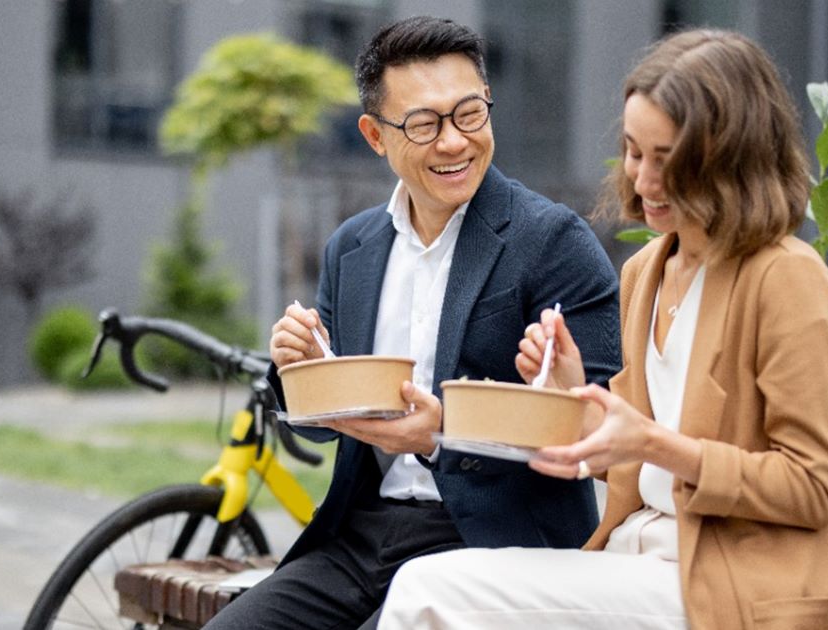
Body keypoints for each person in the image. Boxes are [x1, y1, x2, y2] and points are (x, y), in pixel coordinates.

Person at [377, 29, 828, 630]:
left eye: (670, 159)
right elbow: (628, 456)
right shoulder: (647, 271)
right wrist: (570, 398)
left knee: (427, 591)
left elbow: (815, 488)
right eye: (636, 152)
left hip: (735, 580)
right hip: (638, 555)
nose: (643, 180)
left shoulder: (787, 279)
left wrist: (651, 442)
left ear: (732, 158)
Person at [203, 16, 621, 630]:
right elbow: (326, 431)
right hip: (358, 537)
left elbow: (602, 426)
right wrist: (302, 370)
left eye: (470, 114)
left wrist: (438, 434)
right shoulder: (352, 248)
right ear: (375, 135)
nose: (454, 142)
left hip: (491, 541)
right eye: (424, 125)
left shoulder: (553, 240)